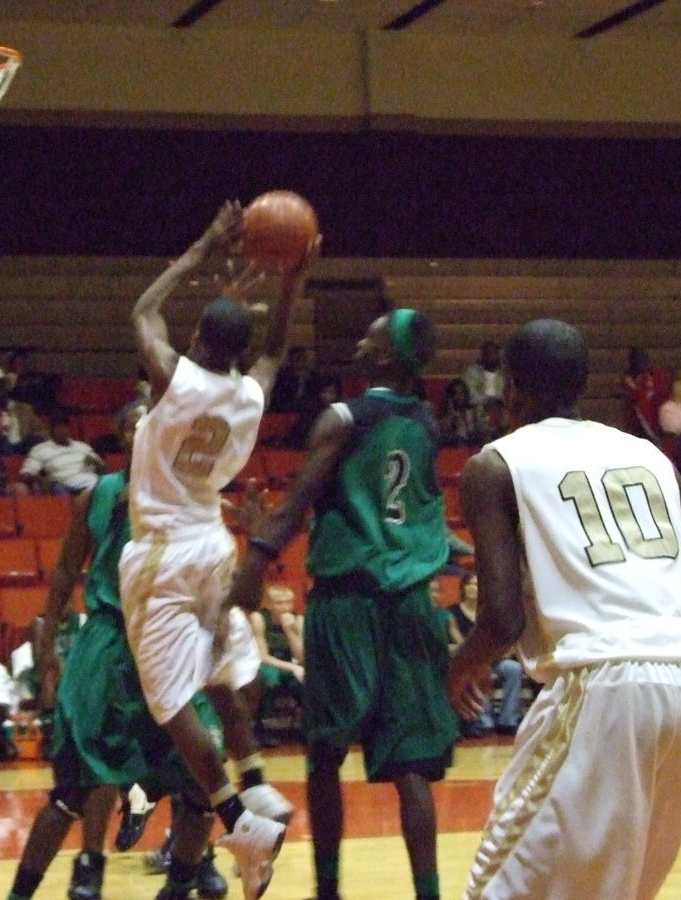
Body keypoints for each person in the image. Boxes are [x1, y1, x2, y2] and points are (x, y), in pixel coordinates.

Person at [447, 318, 681, 900]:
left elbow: (501, 619)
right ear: (584, 384)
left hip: (608, 681)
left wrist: (458, 666)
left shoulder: (496, 464)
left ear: (511, 387)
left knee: (496, 888)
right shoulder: (647, 455)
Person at [228, 305, 458, 900]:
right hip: (412, 601)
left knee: (325, 753)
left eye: (370, 337)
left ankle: (328, 891)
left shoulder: (342, 418)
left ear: (387, 356)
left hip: (347, 602)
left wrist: (255, 557)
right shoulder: (427, 423)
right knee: (411, 767)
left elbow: (298, 502)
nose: (358, 342)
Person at [121, 201, 315, 900]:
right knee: (219, 676)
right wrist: (291, 280)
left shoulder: (173, 379)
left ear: (200, 335)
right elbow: (276, 351)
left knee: (171, 702)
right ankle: (256, 784)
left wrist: (202, 247)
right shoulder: (250, 395)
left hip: (163, 548)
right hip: (213, 541)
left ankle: (240, 823)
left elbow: (143, 312)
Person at [6, 401, 227, 900]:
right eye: (134, 424)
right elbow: (67, 569)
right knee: (75, 785)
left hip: (168, 641)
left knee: (203, 777)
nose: (146, 429)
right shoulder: (99, 495)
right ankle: (45, 883)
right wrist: (48, 639)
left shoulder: (188, 493)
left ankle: (185, 877)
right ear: (123, 436)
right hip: (110, 642)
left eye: (154, 420)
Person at [445, 572, 524, 738]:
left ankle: (508, 720)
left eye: (476, 584)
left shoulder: (489, 611)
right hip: (469, 660)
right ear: (463, 588)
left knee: (514, 668)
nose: (473, 588)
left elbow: (502, 639)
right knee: (477, 670)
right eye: (469, 584)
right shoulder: (452, 613)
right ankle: (484, 722)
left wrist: (497, 653)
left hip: (493, 658)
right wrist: (480, 656)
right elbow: (461, 644)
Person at [249, 583, 304, 745]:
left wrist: (290, 631)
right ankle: (261, 729)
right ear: (269, 605)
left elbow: (300, 657)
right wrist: (293, 667)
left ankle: (308, 726)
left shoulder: (298, 620)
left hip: (290, 664)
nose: (284, 607)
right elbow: (263, 657)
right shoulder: (259, 618)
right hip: (265, 664)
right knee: (270, 678)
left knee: (308, 680)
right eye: (279, 603)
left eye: (288, 602)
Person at [19, 412, 105, 495]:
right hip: (64, 485)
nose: (63, 430)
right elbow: (26, 474)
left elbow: (102, 468)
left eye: (65, 426)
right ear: (51, 430)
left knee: (106, 482)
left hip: (92, 482)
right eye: (59, 427)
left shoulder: (83, 447)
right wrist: (42, 480)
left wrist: (97, 465)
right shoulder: (40, 449)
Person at [619, 346, 669, 442]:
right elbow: (636, 397)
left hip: (658, 415)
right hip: (638, 423)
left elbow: (662, 393)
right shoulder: (628, 379)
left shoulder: (656, 374)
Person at [439, 378, 485, 448]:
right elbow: (444, 436)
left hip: (473, 447)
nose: (459, 396)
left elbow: (479, 432)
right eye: (456, 393)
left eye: (462, 393)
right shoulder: (447, 415)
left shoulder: (473, 411)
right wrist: (451, 414)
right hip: (454, 449)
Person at [462, 340, 504, 411]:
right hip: (478, 409)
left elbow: (509, 393)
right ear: (482, 356)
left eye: (494, 353)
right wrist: (487, 401)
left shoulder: (506, 373)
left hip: (502, 409)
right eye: (488, 353)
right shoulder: (472, 372)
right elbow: (470, 393)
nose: (491, 357)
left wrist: (498, 400)